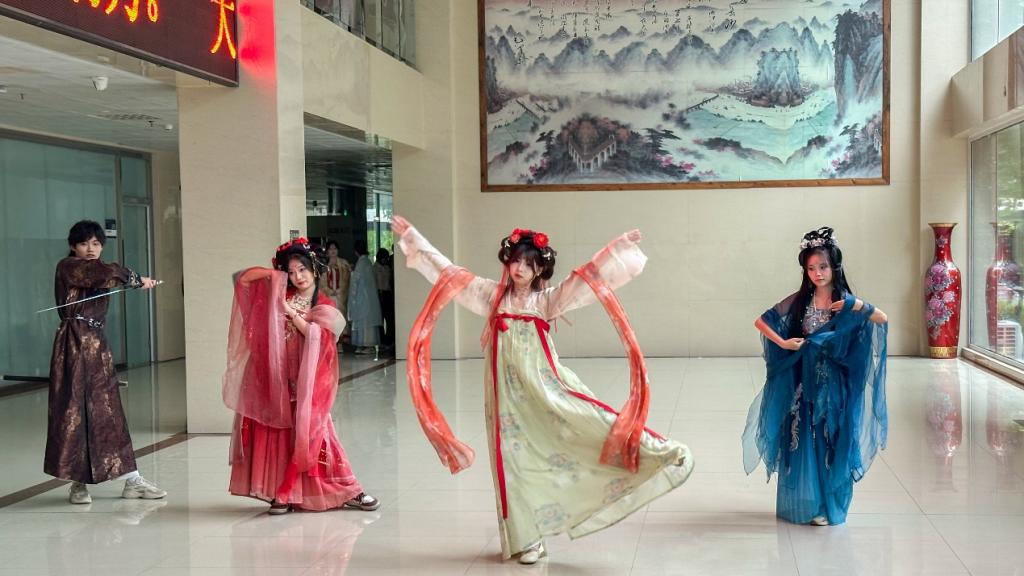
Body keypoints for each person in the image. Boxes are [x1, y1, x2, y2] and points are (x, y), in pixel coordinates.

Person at [394, 216, 693, 565]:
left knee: (590, 422)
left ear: (539, 269)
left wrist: (618, 248)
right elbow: (449, 273)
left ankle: (658, 451)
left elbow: (584, 279)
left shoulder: (547, 301)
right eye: (515, 261)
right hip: (505, 401)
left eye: (528, 263)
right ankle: (528, 539)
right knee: (513, 464)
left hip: (546, 390)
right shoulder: (491, 296)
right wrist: (414, 237)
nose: (519, 268)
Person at [742, 227, 888, 526]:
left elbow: (881, 318)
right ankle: (809, 502)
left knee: (831, 438)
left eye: (823, 267)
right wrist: (784, 343)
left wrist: (858, 306)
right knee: (803, 438)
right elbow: (762, 321)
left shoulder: (845, 301)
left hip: (834, 387)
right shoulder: (800, 300)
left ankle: (828, 505)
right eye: (811, 268)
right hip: (803, 383)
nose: (817, 274)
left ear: (835, 267)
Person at [223, 237, 379, 514]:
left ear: (314, 269)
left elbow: (320, 336)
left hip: (310, 382)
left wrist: (291, 315)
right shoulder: (281, 295)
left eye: (302, 270)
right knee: (280, 434)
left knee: (318, 434)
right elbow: (241, 280)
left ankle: (349, 489)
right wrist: (275, 276)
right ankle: (280, 493)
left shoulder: (324, 303)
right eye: (291, 272)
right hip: (279, 378)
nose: (298, 277)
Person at [46, 219, 166, 504]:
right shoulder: (69, 266)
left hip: (97, 345)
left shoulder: (99, 269)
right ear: (72, 246)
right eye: (84, 243)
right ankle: (78, 484)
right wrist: (137, 279)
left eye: (96, 244)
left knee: (107, 410)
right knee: (75, 412)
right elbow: (104, 273)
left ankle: (132, 480)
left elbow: (107, 275)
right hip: (73, 346)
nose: (91, 249)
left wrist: (135, 281)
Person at [347, 240, 382, 355]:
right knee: (368, 321)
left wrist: (351, 272)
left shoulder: (361, 263)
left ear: (355, 252)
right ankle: (367, 345)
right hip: (369, 298)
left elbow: (355, 280)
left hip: (362, 298)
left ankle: (366, 345)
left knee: (363, 321)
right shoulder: (368, 262)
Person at [321, 240, 352, 335]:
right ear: (327, 251)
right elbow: (321, 282)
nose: (333, 251)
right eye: (330, 249)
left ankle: (342, 338)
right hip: (328, 296)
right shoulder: (323, 264)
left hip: (341, 295)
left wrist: (340, 290)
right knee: (329, 318)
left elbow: (347, 279)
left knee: (341, 316)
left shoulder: (344, 263)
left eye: (335, 248)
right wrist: (329, 291)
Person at [373, 248, 395, 350]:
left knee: (390, 318)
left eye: (386, 258)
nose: (385, 260)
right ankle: (381, 341)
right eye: (384, 258)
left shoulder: (387, 268)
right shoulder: (374, 268)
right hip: (379, 293)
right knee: (380, 319)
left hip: (388, 294)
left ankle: (389, 340)